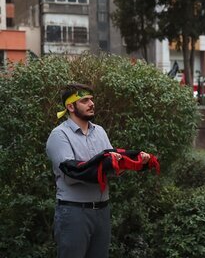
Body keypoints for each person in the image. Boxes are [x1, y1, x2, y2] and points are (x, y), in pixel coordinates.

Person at [46, 83, 151, 258]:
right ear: (70, 106)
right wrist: (107, 166)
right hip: (74, 212)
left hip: (102, 211)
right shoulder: (59, 135)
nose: (91, 104)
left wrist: (134, 162)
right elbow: (72, 174)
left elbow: (112, 166)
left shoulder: (100, 132)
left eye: (91, 100)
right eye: (85, 100)